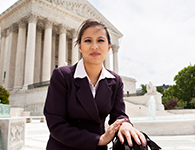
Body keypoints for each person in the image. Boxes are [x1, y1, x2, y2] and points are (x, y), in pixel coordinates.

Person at [44, 19, 146, 150]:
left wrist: (125, 124)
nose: (94, 46)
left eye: (100, 40)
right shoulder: (62, 76)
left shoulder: (115, 81)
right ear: (80, 46)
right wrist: (99, 140)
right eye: (87, 41)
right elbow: (56, 125)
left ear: (109, 47)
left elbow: (118, 114)